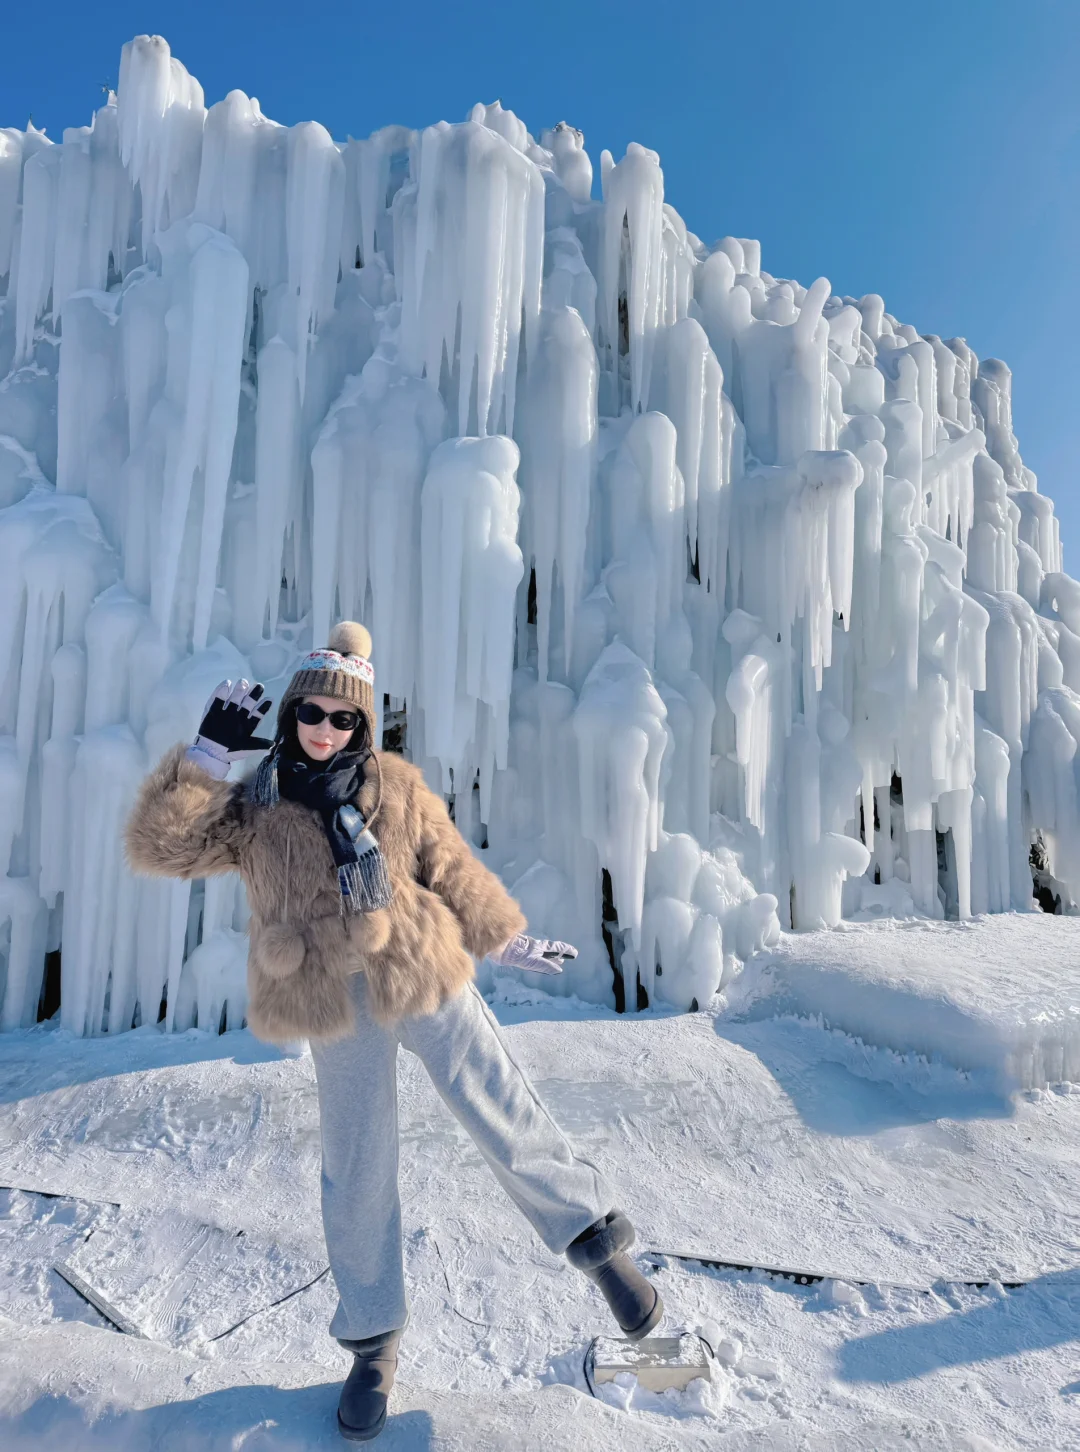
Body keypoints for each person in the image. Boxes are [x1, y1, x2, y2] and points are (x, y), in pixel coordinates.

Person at [126, 621, 663, 1443]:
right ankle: (373, 1341)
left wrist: (504, 938)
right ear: (292, 713)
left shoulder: (396, 787)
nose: (326, 729)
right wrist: (204, 757)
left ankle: (597, 1244)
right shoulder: (255, 807)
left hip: (416, 962)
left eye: (344, 719)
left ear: (363, 725)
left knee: (495, 1102)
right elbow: (162, 848)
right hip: (326, 993)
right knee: (356, 1163)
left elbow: (449, 867)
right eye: (313, 713)